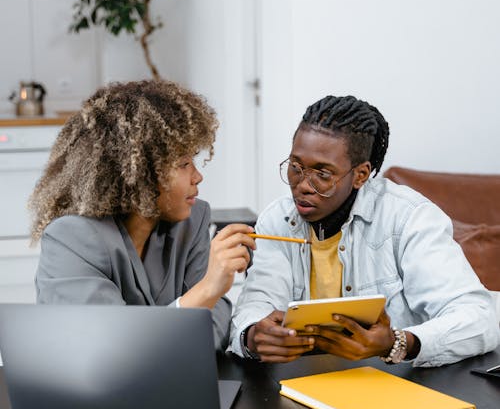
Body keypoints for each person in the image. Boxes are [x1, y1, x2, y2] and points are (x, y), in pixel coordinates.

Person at [229, 94, 500, 366]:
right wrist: (253, 335)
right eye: (295, 167)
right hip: (302, 386)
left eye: (322, 174)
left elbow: (479, 318)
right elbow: (257, 302)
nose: (302, 185)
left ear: (360, 175)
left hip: (395, 388)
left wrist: (398, 342)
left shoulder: (409, 218)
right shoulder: (277, 220)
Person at [30, 79, 255, 351]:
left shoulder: (192, 222)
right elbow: (105, 350)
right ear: (140, 175)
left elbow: (216, 326)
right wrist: (205, 291)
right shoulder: (72, 239)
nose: (198, 176)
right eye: (184, 164)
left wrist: (205, 301)